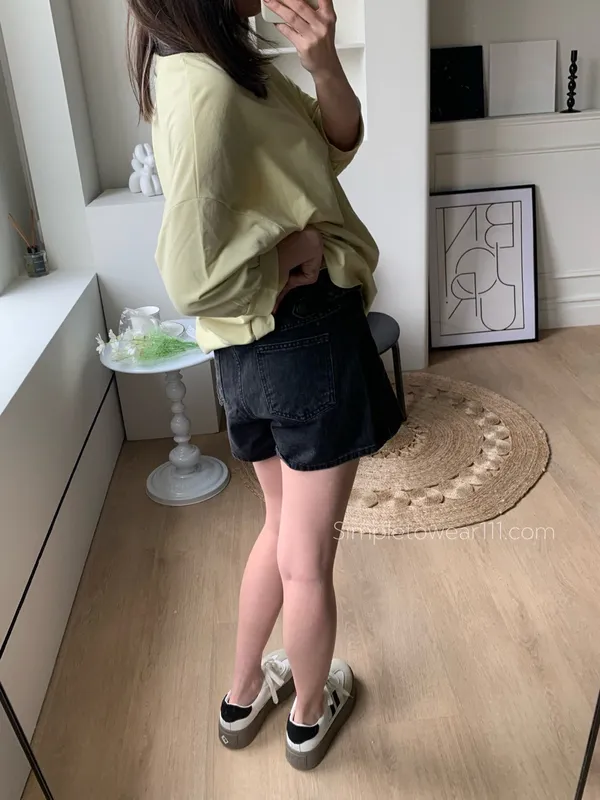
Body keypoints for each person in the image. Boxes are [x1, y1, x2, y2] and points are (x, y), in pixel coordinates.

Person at [127, 0, 402, 770]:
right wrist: (293, 251)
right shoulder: (208, 86)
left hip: (251, 353)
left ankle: (243, 695)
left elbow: (331, 147)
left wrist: (322, 62)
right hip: (301, 335)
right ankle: (309, 717)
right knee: (307, 556)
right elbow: (190, 278)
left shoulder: (208, 67)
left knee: (281, 529)